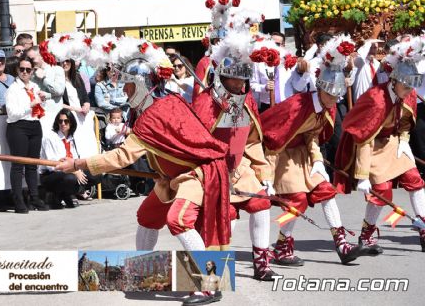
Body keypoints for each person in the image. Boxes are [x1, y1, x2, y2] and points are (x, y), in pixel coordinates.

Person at [56, 38, 229, 305]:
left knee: (178, 219)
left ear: (140, 84)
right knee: (148, 216)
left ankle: (209, 285)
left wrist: (77, 163)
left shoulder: (157, 113)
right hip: (171, 178)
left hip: (197, 174)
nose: (123, 91)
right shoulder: (162, 105)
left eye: (127, 85)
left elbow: (122, 156)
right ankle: (140, 273)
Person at [262, 35, 364, 266]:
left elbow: (312, 135)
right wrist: (266, 177)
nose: (334, 101)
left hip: (305, 155)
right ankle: (281, 246)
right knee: (297, 199)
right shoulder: (298, 106)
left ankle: (341, 244)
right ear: (320, 89)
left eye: (337, 96)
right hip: (280, 155)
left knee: (326, 191)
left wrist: (317, 160)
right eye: (330, 95)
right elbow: (272, 142)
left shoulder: (326, 108)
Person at [192, 30, 277, 281]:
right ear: (222, 78)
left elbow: (251, 141)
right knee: (222, 221)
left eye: (243, 81)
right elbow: (194, 144)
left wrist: (265, 174)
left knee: (261, 205)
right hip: (211, 173)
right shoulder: (205, 103)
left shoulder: (247, 99)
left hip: (240, 170)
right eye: (235, 81)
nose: (240, 86)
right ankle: (210, 275)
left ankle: (261, 262)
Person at [335, 35, 425, 254]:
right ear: (394, 81)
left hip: (392, 143)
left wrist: (404, 141)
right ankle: (366, 234)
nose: (408, 91)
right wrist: (363, 175)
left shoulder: (409, 94)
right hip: (370, 146)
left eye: (411, 86)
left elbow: (405, 122)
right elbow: (363, 138)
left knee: (415, 180)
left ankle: (423, 228)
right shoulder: (376, 99)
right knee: (382, 191)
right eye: (405, 86)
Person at [5, 56, 49, 213]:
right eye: (22, 69)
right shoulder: (13, 89)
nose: (24, 72)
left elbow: (43, 103)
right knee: (18, 165)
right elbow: (12, 113)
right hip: (18, 126)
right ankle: (18, 199)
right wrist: (30, 104)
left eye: (28, 70)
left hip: (34, 125)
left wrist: (42, 99)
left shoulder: (34, 87)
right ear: (17, 70)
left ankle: (35, 197)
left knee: (32, 164)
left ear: (32, 71)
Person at [40, 109, 90, 209]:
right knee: (70, 178)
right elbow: (53, 165)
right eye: (60, 121)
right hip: (50, 174)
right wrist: (75, 171)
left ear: (71, 122)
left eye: (66, 121)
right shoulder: (50, 137)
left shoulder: (72, 137)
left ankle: (66, 194)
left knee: (94, 175)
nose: (63, 124)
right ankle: (55, 196)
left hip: (69, 170)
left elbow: (76, 159)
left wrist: (78, 169)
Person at [27, 46, 65, 131]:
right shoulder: (30, 73)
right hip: (35, 116)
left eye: (32, 59)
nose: (31, 62)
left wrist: (44, 79)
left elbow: (60, 91)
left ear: (41, 56)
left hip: (53, 114)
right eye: (29, 59)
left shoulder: (57, 69)